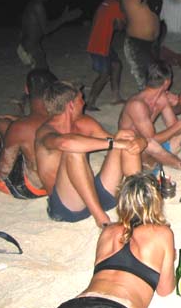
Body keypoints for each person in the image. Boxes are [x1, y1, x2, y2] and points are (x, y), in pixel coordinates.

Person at [26, 172, 176, 308]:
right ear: (156, 201)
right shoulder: (162, 234)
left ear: (121, 201)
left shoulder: (107, 232)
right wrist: (170, 258)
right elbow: (165, 290)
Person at [35, 81, 147, 227]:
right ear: (71, 105)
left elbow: (119, 140)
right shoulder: (45, 132)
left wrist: (140, 141)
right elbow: (66, 143)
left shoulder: (84, 123)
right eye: (81, 99)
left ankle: (137, 202)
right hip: (68, 207)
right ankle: (101, 219)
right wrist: (116, 144)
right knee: (73, 152)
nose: (84, 103)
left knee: (125, 135)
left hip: (95, 194)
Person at [0, 69, 57, 198]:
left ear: (26, 89)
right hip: (58, 183)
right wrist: (20, 119)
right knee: (3, 124)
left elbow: (0, 173)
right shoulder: (62, 116)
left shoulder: (20, 127)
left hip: (32, 189)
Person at [118, 61, 181, 170]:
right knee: (150, 143)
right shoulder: (136, 105)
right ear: (167, 82)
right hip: (136, 153)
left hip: (157, 149)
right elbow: (152, 139)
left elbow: (173, 127)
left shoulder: (162, 98)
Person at [17, 0, 82, 70]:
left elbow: (36, 26)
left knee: (41, 71)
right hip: (31, 47)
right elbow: (46, 30)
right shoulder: (38, 6)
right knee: (42, 72)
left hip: (26, 45)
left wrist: (62, 18)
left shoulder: (32, 4)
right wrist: (63, 19)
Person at [85, 0, 127, 111]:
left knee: (116, 65)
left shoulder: (105, 2)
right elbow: (120, 26)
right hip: (100, 44)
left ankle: (115, 97)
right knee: (104, 74)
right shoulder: (115, 4)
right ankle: (90, 103)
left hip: (99, 42)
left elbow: (97, 21)